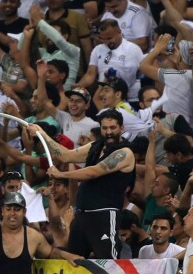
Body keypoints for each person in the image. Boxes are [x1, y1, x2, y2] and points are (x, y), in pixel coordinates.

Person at [33, 110, 136, 259]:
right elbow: (65, 156)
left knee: (109, 263)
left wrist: (61, 175)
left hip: (104, 216)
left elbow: (94, 172)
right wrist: (42, 134)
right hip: (82, 215)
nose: (108, 132)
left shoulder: (125, 153)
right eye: (104, 128)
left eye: (113, 128)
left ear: (121, 128)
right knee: (74, 260)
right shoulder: (95, 146)